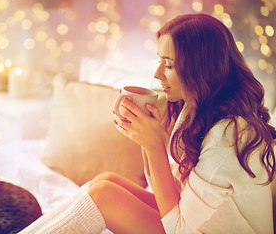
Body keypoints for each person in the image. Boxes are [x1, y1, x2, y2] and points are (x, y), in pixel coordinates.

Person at [19, 13, 276, 234]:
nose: (157, 74)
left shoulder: (228, 135)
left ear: (200, 69)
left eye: (169, 65)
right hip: (194, 224)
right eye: (160, 60)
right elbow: (170, 195)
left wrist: (154, 145)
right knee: (106, 181)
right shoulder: (196, 108)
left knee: (104, 197)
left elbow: (178, 227)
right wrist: (146, 138)